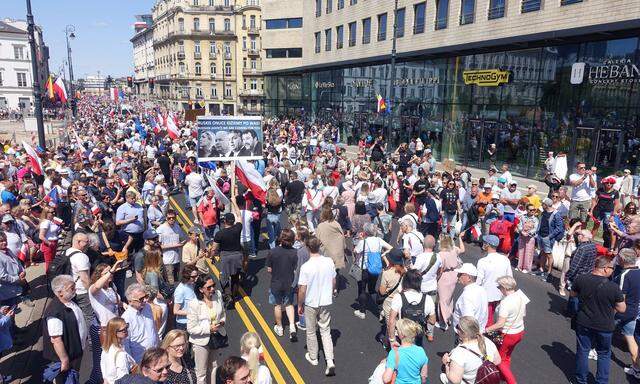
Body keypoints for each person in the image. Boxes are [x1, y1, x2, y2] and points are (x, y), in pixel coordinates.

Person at [572, 257, 626, 384]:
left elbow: (573, 295)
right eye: (612, 268)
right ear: (605, 268)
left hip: (584, 321)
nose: (613, 271)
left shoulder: (581, 279)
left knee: (583, 350)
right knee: (603, 354)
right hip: (605, 325)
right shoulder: (613, 287)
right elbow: (622, 308)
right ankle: (601, 381)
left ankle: (581, 380)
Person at [297, 236, 336, 376]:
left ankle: (313, 357)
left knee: (311, 330)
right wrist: (331, 292)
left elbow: (302, 289)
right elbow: (333, 280)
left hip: (311, 302)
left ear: (307, 248)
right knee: (325, 331)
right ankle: (330, 361)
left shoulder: (306, 267)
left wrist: (300, 304)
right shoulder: (329, 261)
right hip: (325, 301)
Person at [484, 276, 529, 384]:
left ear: (504, 287)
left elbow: (500, 324)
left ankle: (511, 381)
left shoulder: (506, 302)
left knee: (499, 359)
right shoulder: (521, 296)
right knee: (507, 356)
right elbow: (524, 314)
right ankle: (502, 376)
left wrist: (486, 329)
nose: (499, 289)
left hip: (508, 335)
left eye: (499, 287)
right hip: (519, 332)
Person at [43, 275, 88, 384]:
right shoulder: (55, 313)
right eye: (71, 288)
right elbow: (56, 340)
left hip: (76, 352)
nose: (75, 289)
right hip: (68, 357)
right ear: (60, 293)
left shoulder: (69, 301)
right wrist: (64, 360)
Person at [88, 261, 125, 384]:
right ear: (100, 275)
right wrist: (111, 270)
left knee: (115, 357)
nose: (111, 275)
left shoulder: (111, 287)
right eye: (107, 273)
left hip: (115, 326)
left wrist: (124, 304)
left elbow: (116, 301)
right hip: (103, 329)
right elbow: (97, 286)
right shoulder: (94, 290)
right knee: (103, 361)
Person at [187, 274, 227, 384]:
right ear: (201, 289)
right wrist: (208, 329)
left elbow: (222, 312)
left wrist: (223, 321)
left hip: (215, 338)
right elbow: (191, 328)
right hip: (201, 341)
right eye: (208, 287)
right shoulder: (194, 304)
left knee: (214, 367)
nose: (213, 289)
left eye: (213, 285)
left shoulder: (217, 295)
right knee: (201, 372)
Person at [440, 316, 501, 384]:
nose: (456, 328)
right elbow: (498, 361)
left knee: (442, 376)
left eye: (457, 327)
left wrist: (446, 364)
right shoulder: (487, 341)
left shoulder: (458, 353)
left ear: (463, 333)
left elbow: (455, 381)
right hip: (483, 380)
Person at [353, 223, 393, 320]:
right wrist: (383, 254)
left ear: (365, 231)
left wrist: (360, 240)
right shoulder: (379, 240)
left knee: (362, 289)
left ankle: (362, 311)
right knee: (372, 290)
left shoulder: (364, 242)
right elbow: (391, 248)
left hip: (364, 268)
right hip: (375, 268)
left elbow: (355, 251)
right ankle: (380, 310)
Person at [388, 269, 436, 347]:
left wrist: (392, 339)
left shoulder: (399, 297)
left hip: (402, 335)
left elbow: (391, 321)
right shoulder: (428, 299)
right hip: (417, 334)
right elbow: (432, 321)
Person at [266, 229, 298, 341]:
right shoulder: (295, 253)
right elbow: (295, 268)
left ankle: (279, 327)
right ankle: (292, 326)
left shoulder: (273, 252)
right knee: (289, 304)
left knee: (277, 305)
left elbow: (269, 269)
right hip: (289, 282)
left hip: (276, 282)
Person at [613, 249, 640, 379]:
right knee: (630, 337)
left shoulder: (625, 275)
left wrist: (610, 313)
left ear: (622, 259)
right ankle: (636, 368)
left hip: (622, 312)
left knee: (604, 331)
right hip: (634, 311)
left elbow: (620, 298)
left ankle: (597, 351)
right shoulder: (639, 272)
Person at [476, 235, 513, 326]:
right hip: (501, 295)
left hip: (487, 296)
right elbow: (510, 278)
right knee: (498, 319)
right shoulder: (505, 259)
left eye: (484, 243)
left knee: (485, 321)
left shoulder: (482, 261)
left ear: (487, 245)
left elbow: (478, 281)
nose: (483, 244)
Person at [382, 319, 429, 384]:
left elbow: (386, 379)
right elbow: (424, 376)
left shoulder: (394, 353)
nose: (396, 331)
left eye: (397, 329)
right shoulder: (421, 351)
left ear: (402, 335)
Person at [122, 283, 160, 363]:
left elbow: (153, 328)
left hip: (155, 355)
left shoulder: (147, 307)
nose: (145, 300)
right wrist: (133, 365)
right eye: (141, 299)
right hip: (140, 361)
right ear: (130, 301)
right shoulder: (126, 318)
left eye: (146, 296)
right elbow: (125, 345)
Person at [212, 210, 244, 305]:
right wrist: (234, 202)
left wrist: (212, 257)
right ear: (233, 221)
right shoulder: (238, 228)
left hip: (225, 257)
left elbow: (214, 248)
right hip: (237, 256)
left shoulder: (219, 234)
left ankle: (228, 294)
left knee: (224, 277)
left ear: (224, 221)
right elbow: (239, 215)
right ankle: (234, 296)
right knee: (235, 277)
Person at [565, 230, 598, 315]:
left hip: (578, 276)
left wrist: (568, 276)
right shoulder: (593, 246)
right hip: (588, 275)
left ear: (582, 236)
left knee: (574, 296)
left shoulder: (582, 248)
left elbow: (575, 265)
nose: (577, 237)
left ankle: (573, 313)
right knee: (581, 296)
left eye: (578, 235)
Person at [436, 234, 464, 330]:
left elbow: (440, 269)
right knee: (449, 298)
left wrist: (436, 278)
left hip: (444, 277)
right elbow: (463, 250)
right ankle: (448, 316)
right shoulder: (454, 249)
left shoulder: (441, 254)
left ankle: (443, 322)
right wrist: (460, 238)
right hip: (454, 275)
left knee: (443, 300)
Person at [452, 263, 489, 333]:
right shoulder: (482, 290)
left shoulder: (466, 296)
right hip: (479, 330)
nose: (458, 276)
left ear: (469, 278)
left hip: (466, 335)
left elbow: (468, 321)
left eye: (460, 274)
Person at [534, 198, 565, 282]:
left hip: (548, 237)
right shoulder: (544, 212)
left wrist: (550, 236)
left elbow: (559, 228)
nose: (541, 205)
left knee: (549, 255)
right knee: (543, 252)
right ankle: (541, 269)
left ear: (546, 205)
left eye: (542, 204)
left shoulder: (556, 214)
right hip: (541, 235)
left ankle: (549, 273)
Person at [100, 317, 137, 384]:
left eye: (127, 327)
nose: (126, 330)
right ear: (114, 332)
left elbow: (105, 372)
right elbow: (124, 378)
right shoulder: (121, 354)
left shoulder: (105, 349)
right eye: (123, 330)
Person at [156, 209, 187, 285]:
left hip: (176, 259)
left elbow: (182, 238)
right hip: (167, 261)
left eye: (173, 217)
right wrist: (176, 245)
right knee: (171, 283)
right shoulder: (161, 229)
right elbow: (158, 246)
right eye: (169, 218)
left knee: (177, 281)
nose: (171, 219)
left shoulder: (177, 227)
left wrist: (184, 241)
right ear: (166, 218)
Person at [0, 231, 27, 307]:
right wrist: (18, 279)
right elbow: (2, 276)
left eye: (5, 240)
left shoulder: (8, 250)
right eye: (1, 241)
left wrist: (22, 271)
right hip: (7, 291)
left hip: (15, 287)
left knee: (13, 309)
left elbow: (17, 262)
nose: (4, 242)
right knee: (9, 313)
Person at [173, 264, 199, 331]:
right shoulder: (180, 290)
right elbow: (175, 311)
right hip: (184, 324)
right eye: (193, 277)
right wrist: (192, 312)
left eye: (197, 276)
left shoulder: (190, 284)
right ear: (186, 276)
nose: (196, 278)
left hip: (192, 320)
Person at [516, 204, 539, 273]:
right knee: (521, 251)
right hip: (522, 236)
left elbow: (535, 228)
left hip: (530, 237)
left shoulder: (535, 219)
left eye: (533, 210)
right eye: (531, 210)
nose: (532, 211)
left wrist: (528, 233)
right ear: (527, 210)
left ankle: (526, 268)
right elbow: (520, 225)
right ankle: (519, 266)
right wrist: (521, 231)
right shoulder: (523, 217)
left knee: (528, 252)